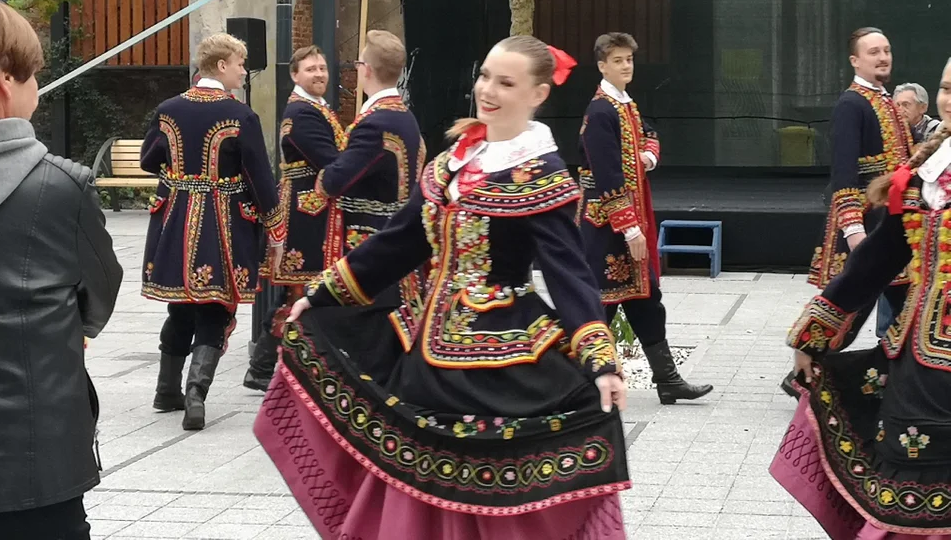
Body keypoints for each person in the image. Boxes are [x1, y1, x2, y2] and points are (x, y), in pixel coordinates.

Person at [255, 35, 630, 540]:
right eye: (485, 76)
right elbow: (398, 244)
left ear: (538, 94)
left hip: (503, 354)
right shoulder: (454, 160)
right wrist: (319, 295)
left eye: (505, 82)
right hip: (425, 351)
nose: (488, 90)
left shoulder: (543, 174)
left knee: (492, 492)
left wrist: (599, 360)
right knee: (416, 483)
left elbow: (569, 273)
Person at [771, 56, 951, 540]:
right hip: (921, 366)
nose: (950, 100)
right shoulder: (923, 179)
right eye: (947, 88)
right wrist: (813, 335)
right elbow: (873, 263)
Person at [0, 0, 122, 539]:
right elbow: (100, 296)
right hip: (32, 453)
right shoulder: (61, 186)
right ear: (4, 81)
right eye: (34, 77)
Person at [141, 32, 284, 430]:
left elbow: (148, 159)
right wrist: (275, 226)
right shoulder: (240, 116)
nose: (243, 70)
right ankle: (195, 397)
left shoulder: (169, 108)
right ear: (221, 65)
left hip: (176, 220)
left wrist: (181, 177)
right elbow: (260, 177)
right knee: (215, 307)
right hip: (223, 223)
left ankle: (165, 391)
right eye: (240, 63)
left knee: (181, 306)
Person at [578, 32, 712, 405]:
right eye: (618, 60)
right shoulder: (600, 110)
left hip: (625, 221)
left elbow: (648, 134)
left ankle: (667, 380)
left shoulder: (624, 104)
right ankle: (583, 385)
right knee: (601, 303)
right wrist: (630, 228)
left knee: (647, 297)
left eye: (629, 60)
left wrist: (648, 155)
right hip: (606, 227)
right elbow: (606, 176)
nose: (626, 66)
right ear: (602, 65)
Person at [784, 28, 914, 397]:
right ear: (855, 60)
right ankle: (806, 373)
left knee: (895, 303)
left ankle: (897, 374)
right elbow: (843, 172)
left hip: (892, 225)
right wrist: (853, 228)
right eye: (874, 51)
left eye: (887, 50)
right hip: (866, 223)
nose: (883, 56)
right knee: (851, 305)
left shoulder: (888, 101)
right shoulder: (851, 104)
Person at [244, 46, 345, 392]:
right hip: (306, 212)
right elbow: (329, 159)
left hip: (312, 208)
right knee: (301, 286)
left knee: (298, 288)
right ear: (295, 74)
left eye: (322, 67)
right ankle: (265, 366)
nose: (319, 74)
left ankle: (266, 364)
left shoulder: (312, 108)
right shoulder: (302, 114)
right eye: (311, 69)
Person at [313, 29, 425, 309]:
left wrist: (323, 175)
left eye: (359, 63)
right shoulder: (404, 115)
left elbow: (335, 181)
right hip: (396, 236)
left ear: (368, 70)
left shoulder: (375, 123)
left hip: (368, 241)